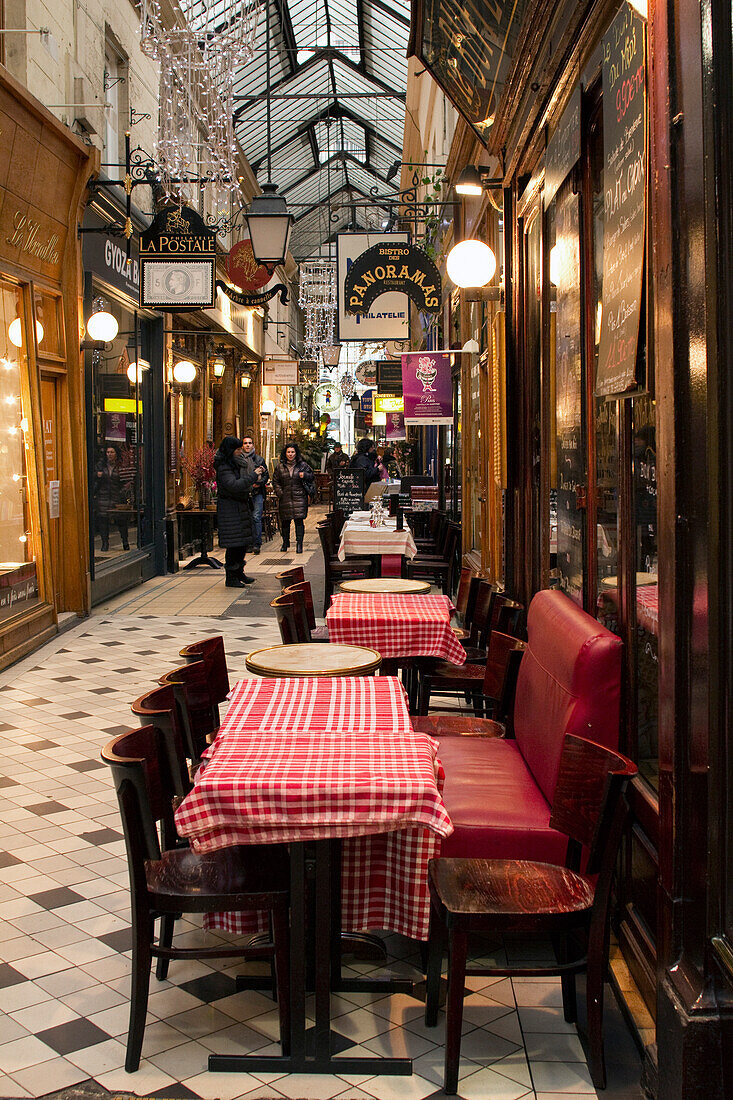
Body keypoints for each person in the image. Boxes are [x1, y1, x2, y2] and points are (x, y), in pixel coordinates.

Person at [213, 435, 256, 587]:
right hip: (231, 510)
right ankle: (231, 577)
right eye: (238, 449)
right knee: (234, 544)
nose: (240, 451)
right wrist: (253, 475)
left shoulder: (236, 463)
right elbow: (234, 485)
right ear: (230, 450)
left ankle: (239, 573)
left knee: (241, 544)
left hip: (240, 508)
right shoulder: (224, 466)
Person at [272, 441, 315, 554]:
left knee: (299, 521)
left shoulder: (303, 465)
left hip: (299, 497)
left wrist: (304, 475)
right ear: (285, 453)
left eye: (292, 452)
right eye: (288, 452)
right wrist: (280, 492)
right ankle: (285, 542)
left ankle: (299, 544)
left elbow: (312, 476)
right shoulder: (280, 467)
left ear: (296, 453)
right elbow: (275, 481)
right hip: (285, 497)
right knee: (285, 522)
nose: (290, 454)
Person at [94, 443, 130, 552]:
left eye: (112, 452)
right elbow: (94, 479)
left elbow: (126, 481)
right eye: (108, 452)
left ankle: (125, 541)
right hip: (103, 497)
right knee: (103, 521)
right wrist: (97, 476)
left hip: (117, 497)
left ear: (116, 454)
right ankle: (105, 543)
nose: (109, 454)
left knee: (121, 521)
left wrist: (122, 492)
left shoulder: (121, 467)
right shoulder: (101, 466)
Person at [240, 433, 269, 555]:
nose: (247, 445)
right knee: (246, 518)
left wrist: (259, 483)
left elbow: (266, 475)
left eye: (249, 443)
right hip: (243, 493)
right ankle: (248, 543)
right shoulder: (239, 460)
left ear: (253, 445)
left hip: (257, 492)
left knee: (256, 517)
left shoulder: (259, 459)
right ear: (242, 446)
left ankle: (257, 544)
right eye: (245, 443)